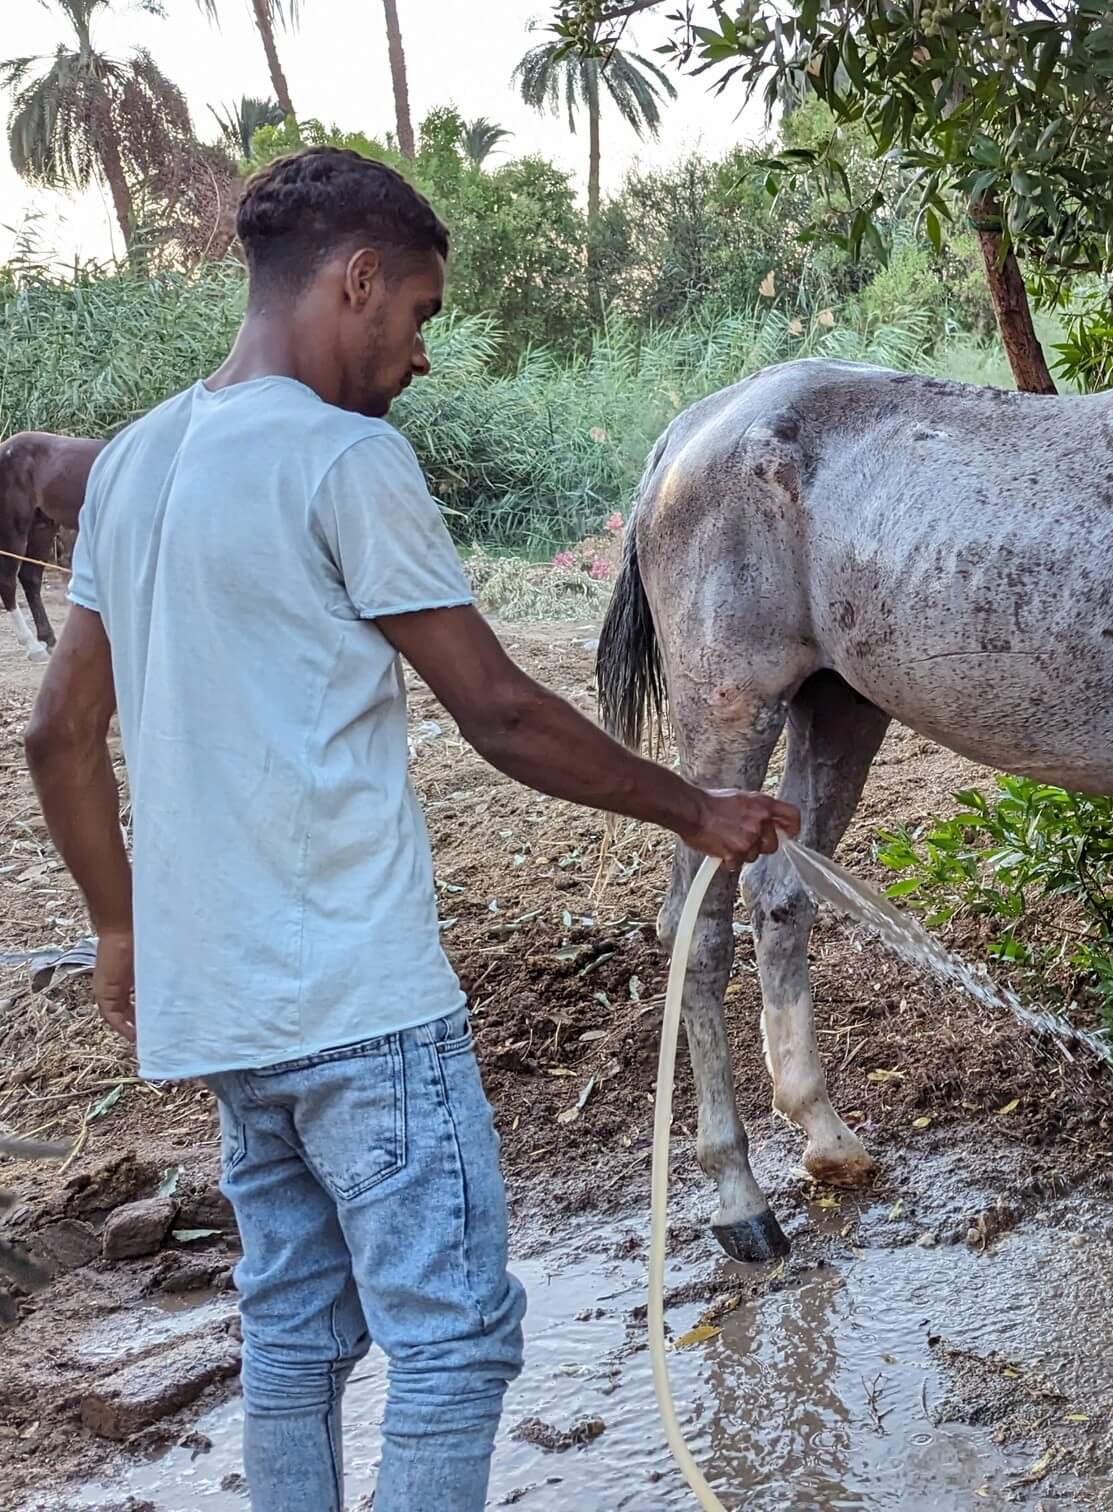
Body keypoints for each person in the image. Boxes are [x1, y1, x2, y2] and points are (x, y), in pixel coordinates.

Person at [23, 147, 799, 1511]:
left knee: (291, 1333)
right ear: (356, 278)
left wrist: (117, 924)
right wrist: (699, 807)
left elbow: (56, 733)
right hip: (359, 1004)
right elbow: (497, 712)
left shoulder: (133, 462)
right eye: (421, 315)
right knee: (450, 1343)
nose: (421, 354)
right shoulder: (344, 457)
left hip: (224, 1012)